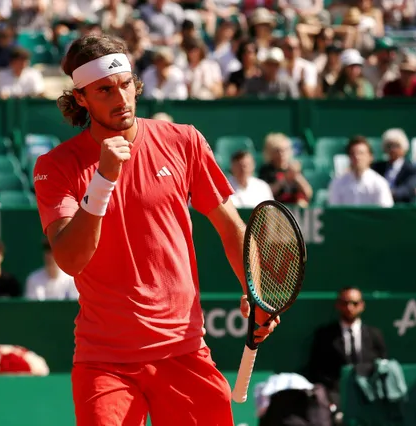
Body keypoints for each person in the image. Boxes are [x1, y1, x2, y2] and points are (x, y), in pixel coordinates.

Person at [33, 34, 279, 426]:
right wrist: (102, 182)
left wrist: (256, 289)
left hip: (183, 349)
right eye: (105, 90)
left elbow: (231, 227)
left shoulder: (184, 142)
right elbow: (70, 259)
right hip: (105, 361)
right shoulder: (56, 165)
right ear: (81, 98)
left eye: (126, 84)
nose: (121, 99)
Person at [306, 287, 387, 409]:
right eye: (345, 303)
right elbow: (317, 370)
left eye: (354, 303)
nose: (349, 307)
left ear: (362, 305)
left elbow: (382, 365)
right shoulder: (325, 335)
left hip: (369, 395)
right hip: (335, 397)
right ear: (338, 305)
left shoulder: (375, 334)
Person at [328, 135, 394, 207]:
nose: (357, 157)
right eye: (353, 154)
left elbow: (385, 213)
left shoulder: (380, 183)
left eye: (361, 153)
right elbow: (334, 211)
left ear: (370, 157)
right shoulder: (337, 183)